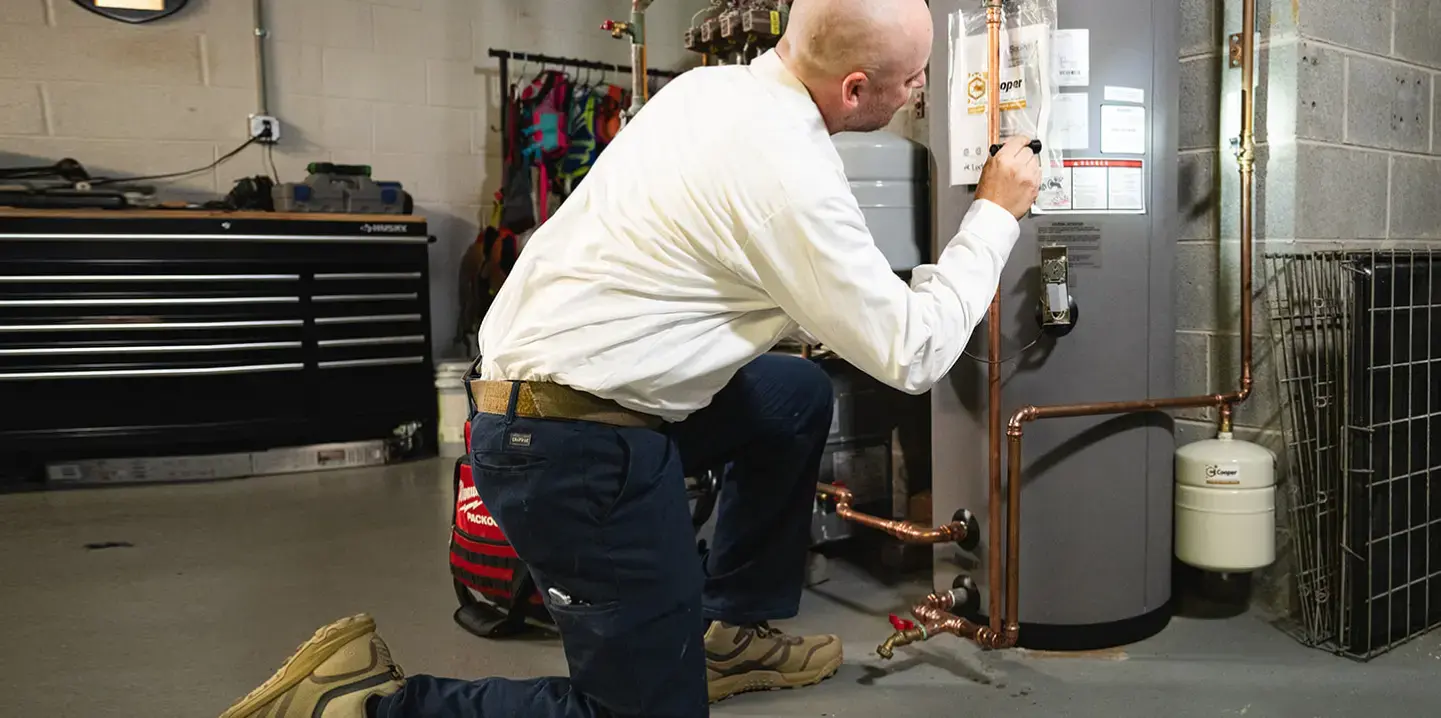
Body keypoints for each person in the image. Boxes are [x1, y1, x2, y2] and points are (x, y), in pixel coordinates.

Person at [218, 0, 1041, 715]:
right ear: (854, 88)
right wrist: (995, 214)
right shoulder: (788, 168)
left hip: (559, 399)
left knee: (790, 394)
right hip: (567, 448)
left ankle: (728, 632)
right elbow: (912, 351)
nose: (922, 92)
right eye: (913, 78)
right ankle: (363, 703)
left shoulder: (708, 90)